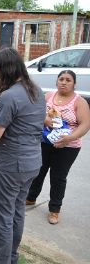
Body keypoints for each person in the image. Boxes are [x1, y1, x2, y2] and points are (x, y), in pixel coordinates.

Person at [0, 48, 46, 264]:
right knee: (16, 211)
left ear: (6, 69)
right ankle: (10, 257)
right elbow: (22, 118)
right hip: (32, 161)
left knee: (1, 214)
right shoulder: (35, 90)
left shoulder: (10, 95)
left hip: (11, 164)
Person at [26, 70, 90, 225]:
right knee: (38, 171)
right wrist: (45, 119)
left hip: (68, 146)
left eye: (68, 80)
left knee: (58, 177)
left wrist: (70, 138)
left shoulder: (79, 102)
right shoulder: (48, 96)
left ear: (74, 84)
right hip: (44, 142)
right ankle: (30, 197)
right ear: (56, 82)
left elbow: (86, 124)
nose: (64, 82)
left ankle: (54, 209)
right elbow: (37, 112)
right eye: (61, 79)